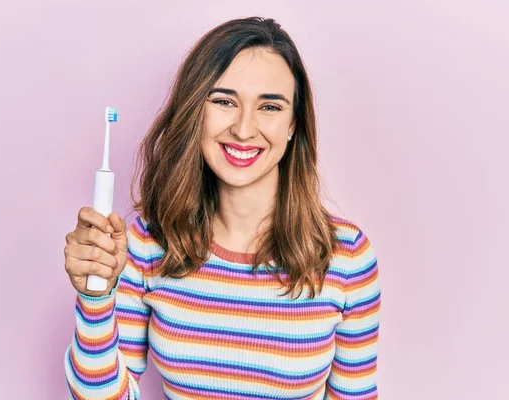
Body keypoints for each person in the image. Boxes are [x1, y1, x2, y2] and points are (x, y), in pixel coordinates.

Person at [63, 16, 381, 400]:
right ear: (196, 110)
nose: (244, 129)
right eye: (224, 101)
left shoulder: (345, 256)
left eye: (270, 106)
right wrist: (95, 299)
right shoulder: (148, 243)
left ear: (293, 123)